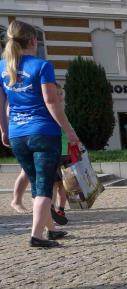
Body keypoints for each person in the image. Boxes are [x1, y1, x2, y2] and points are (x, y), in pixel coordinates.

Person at [0, 21, 80, 247]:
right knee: (44, 186)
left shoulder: (2, 67)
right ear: (33, 40)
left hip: (17, 133)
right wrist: (69, 131)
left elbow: (1, 105)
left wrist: (4, 130)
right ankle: (36, 235)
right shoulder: (42, 66)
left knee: (36, 183)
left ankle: (51, 229)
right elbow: (51, 102)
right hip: (43, 132)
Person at [10, 82, 71, 224]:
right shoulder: (42, 105)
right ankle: (19, 201)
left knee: (51, 182)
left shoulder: (58, 107)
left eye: (61, 93)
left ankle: (50, 212)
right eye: (57, 93)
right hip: (36, 142)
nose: (59, 96)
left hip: (55, 149)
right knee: (31, 175)